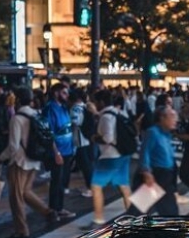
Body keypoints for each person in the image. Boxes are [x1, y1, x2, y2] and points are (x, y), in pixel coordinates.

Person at [0, 85, 58, 238]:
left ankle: (21, 230)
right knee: (25, 191)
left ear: (17, 100)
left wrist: (0, 158)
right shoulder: (37, 114)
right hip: (34, 160)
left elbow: (13, 146)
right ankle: (48, 211)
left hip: (20, 162)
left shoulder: (16, 118)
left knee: (16, 197)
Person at [87, 88, 133, 226]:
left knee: (96, 186)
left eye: (96, 102)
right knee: (124, 186)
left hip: (110, 157)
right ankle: (132, 218)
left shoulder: (106, 117)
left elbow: (108, 138)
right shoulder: (119, 111)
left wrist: (95, 138)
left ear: (101, 102)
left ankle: (98, 218)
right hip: (124, 154)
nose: (95, 104)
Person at [135, 103, 180, 216]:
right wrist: (146, 172)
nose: (176, 119)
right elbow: (144, 153)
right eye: (172, 116)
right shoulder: (153, 132)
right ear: (162, 118)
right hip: (155, 175)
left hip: (166, 176)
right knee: (137, 210)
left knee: (170, 211)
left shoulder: (167, 133)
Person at [42, 82, 76, 221]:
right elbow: (48, 132)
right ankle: (54, 209)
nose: (67, 95)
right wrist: (56, 152)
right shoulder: (50, 109)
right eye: (64, 92)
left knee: (62, 180)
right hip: (58, 151)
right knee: (57, 181)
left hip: (67, 150)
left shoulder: (63, 107)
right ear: (56, 93)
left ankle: (59, 208)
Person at [69, 87, 97, 195]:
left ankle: (91, 188)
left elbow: (75, 123)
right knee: (88, 164)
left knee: (85, 166)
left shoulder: (75, 109)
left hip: (80, 139)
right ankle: (91, 186)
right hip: (88, 138)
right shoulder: (86, 106)